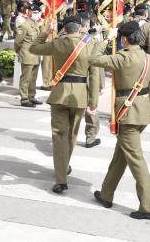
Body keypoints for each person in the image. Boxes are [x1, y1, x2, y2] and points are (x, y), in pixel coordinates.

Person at [91, 21, 150, 220]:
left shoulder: (122, 57)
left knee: (136, 161)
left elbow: (95, 59)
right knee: (120, 155)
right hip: (143, 113)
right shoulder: (148, 59)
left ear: (124, 39)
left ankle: (148, 206)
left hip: (127, 114)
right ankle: (106, 193)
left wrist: (105, 39)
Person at [30, 14, 102, 193]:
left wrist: (45, 32)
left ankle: (61, 179)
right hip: (79, 95)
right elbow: (94, 75)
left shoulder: (57, 42)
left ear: (65, 29)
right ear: (79, 28)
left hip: (60, 93)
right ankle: (65, 165)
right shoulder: (91, 44)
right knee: (72, 135)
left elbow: (33, 47)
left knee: (59, 136)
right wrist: (93, 102)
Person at [80, 12, 104, 148]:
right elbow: (96, 67)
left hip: (68, 82)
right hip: (87, 80)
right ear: (86, 25)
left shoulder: (65, 38)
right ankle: (90, 137)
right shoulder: (92, 41)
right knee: (91, 109)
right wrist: (101, 84)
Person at [15, 4, 42, 107]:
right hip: (27, 54)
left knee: (33, 78)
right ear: (29, 12)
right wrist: (19, 52)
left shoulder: (36, 24)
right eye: (34, 12)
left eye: (38, 12)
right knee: (26, 78)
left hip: (36, 55)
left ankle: (31, 96)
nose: (37, 14)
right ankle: (24, 99)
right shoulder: (24, 25)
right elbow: (18, 42)